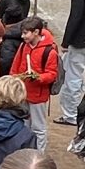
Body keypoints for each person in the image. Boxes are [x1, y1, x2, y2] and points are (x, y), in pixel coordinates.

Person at [10, 14, 63, 149]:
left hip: (39, 96)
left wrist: (38, 77)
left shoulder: (49, 51)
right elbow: (15, 67)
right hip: (23, 94)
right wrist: (15, 78)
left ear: (36, 32)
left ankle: (39, 154)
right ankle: (26, 151)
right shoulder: (23, 47)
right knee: (25, 125)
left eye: (25, 33)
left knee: (38, 127)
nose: (23, 36)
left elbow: (52, 74)